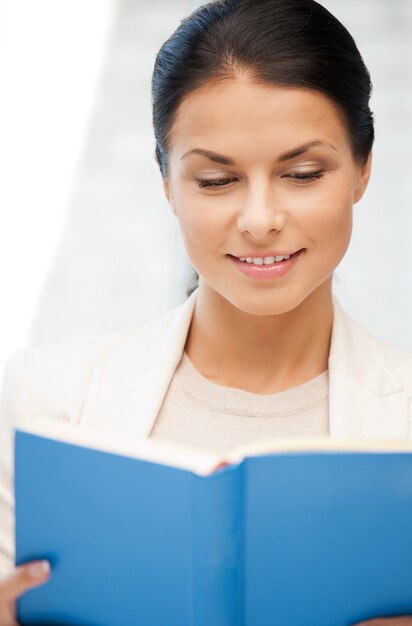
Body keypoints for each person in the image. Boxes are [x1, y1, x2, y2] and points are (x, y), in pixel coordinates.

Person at [1, 0, 412, 623]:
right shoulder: (39, 402)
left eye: (302, 173)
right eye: (216, 181)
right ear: (167, 183)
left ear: (362, 170)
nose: (259, 221)